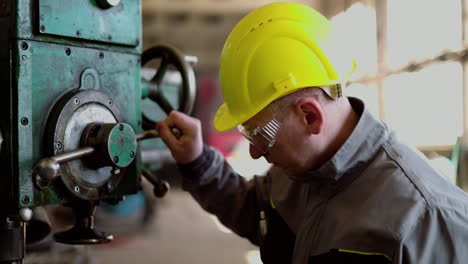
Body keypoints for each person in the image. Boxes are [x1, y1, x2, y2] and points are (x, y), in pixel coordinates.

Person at [156, 2, 468, 263]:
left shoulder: (427, 221)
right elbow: (255, 213)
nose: (254, 151)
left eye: (260, 134)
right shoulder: (296, 171)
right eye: (247, 133)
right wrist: (197, 160)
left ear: (309, 116)